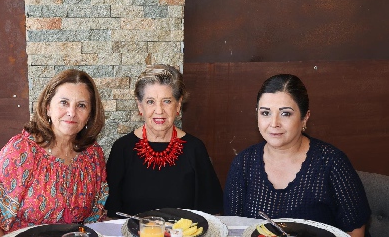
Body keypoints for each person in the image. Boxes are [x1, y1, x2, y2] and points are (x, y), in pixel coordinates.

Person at [224, 74, 371, 237]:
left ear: (304, 118)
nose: (274, 123)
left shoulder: (332, 162)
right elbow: (234, 227)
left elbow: (355, 231)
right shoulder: (243, 163)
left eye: (285, 113)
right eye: (265, 113)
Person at [0, 69, 108, 236]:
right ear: (48, 108)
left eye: (81, 105)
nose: (72, 112)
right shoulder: (21, 151)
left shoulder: (93, 155)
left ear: (89, 115)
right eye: (64, 102)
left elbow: (95, 219)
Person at [105, 64, 223, 218]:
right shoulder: (122, 149)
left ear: (178, 104)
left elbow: (212, 213)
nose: (159, 110)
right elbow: (110, 214)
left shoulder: (195, 149)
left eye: (166, 101)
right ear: (140, 106)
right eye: (150, 101)